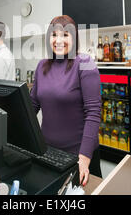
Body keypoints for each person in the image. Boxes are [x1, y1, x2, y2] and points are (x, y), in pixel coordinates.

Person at [30, 15, 102, 186]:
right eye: (54, 35)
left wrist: (84, 158)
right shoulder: (42, 66)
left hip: (77, 155)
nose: (59, 40)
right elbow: (32, 105)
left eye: (65, 35)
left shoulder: (85, 63)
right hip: (47, 152)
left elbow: (93, 113)